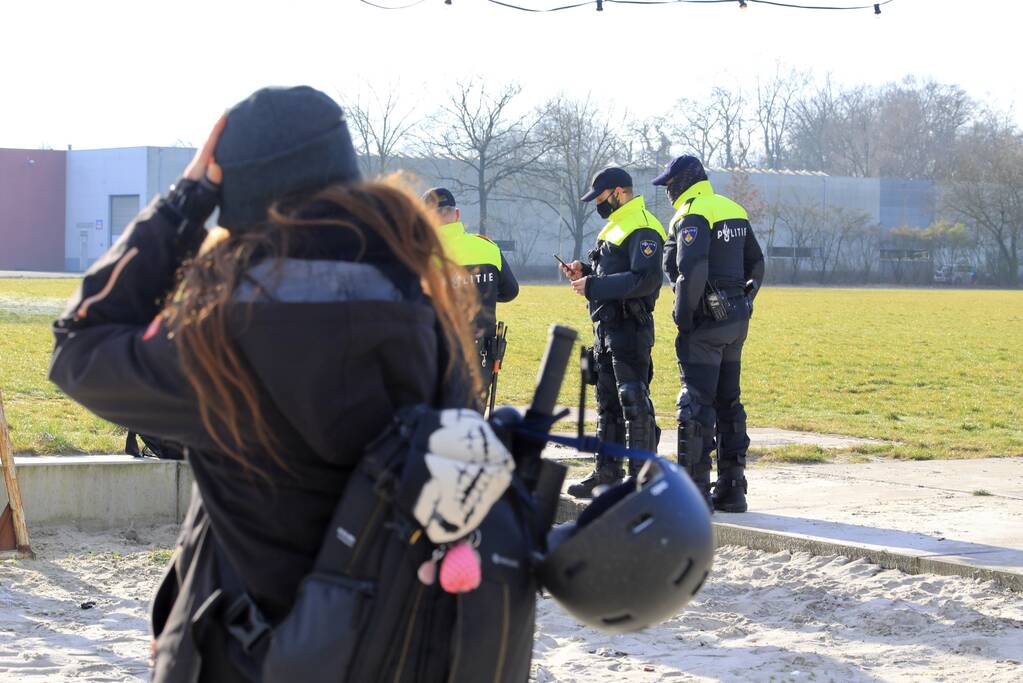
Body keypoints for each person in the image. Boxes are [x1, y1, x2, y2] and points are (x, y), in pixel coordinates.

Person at [48, 86, 530, 682]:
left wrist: (183, 203)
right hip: (391, 649)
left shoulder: (221, 338)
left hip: (252, 659)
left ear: (241, 200)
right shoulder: (424, 315)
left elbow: (78, 343)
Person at [655, 155, 764, 513]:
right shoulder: (733, 208)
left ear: (684, 181)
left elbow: (692, 270)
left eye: (670, 184)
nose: (668, 191)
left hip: (704, 324)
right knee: (728, 402)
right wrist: (743, 300)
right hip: (736, 322)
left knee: (695, 404)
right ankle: (733, 489)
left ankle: (694, 492)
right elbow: (757, 264)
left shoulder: (692, 214)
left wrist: (683, 317)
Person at [561, 167, 666, 498]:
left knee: (633, 402)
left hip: (630, 327)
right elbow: (615, 273)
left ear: (619, 192)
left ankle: (641, 479)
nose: (599, 204)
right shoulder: (615, 225)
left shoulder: (643, 225)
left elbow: (645, 280)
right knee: (607, 403)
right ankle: (606, 473)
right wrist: (586, 272)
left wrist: (593, 285)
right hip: (605, 328)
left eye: (601, 198)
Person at [423, 187, 519, 394]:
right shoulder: (487, 247)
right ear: (456, 215)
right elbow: (511, 291)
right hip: (483, 352)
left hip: (441, 351)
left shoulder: (424, 254)